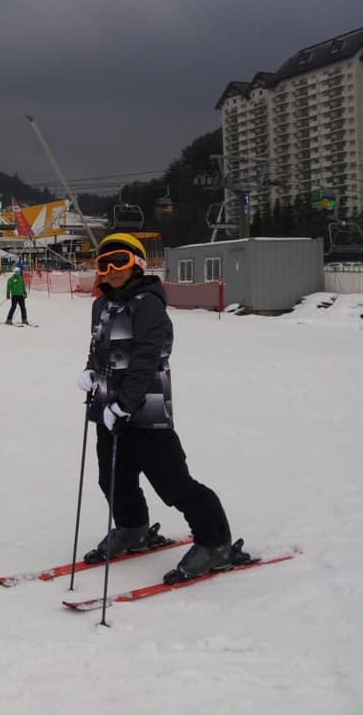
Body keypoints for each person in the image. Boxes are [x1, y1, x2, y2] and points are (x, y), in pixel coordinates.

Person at [77, 232, 235, 582]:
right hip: (108, 408)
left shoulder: (147, 303)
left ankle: (215, 542)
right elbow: (100, 347)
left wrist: (125, 404)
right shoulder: (101, 304)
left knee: (172, 482)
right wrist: (90, 371)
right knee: (113, 479)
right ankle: (133, 527)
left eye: (120, 261)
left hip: (144, 410)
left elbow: (148, 358)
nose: (112, 269)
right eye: (105, 264)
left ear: (137, 264)